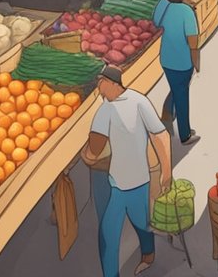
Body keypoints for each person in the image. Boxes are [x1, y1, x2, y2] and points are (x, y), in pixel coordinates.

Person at [84, 66, 172, 277]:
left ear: (113, 83)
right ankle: (142, 258)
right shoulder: (132, 102)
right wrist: (165, 170)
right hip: (129, 181)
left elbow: (94, 151)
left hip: (128, 184)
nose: (99, 88)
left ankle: (143, 258)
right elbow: (160, 135)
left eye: (101, 83)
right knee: (128, 227)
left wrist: (85, 154)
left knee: (123, 230)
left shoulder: (114, 108)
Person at [153, 0, 201, 145]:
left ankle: (166, 115)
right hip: (183, 62)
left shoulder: (162, 6)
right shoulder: (187, 12)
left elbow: (155, 21)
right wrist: (196, 63)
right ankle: (185, 134)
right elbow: (193, 42)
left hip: (166, 59)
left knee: (176, 88)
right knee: (182, 96)